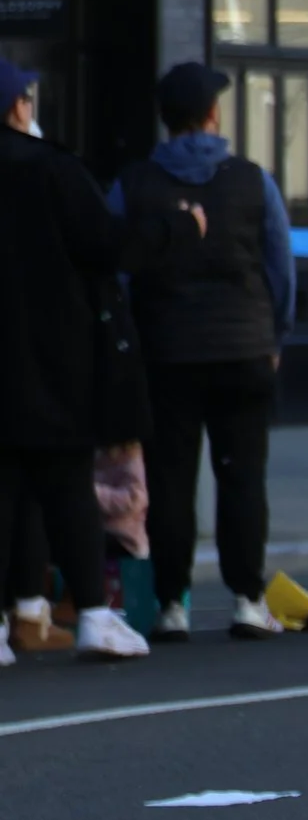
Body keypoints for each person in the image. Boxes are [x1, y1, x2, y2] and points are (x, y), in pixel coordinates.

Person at [0, 58, 187, 661]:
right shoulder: (52, 170)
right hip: (55, 356)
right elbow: (108, 245)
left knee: (7, 491)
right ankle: (94, 615)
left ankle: (17, 616)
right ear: (17, 108)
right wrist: (173, 230)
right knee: (66, 487)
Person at [116, 59, 294, 639]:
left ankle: (172, 604)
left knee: (169, 480)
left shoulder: (135, 183)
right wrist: (275, 334)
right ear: (213, 116)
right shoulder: (252, 179)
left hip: (166, 353)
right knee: (243, 476)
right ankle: (246, 597)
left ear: (167, 121)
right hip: (244, 349)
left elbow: (115, 268)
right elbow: (280, 266)